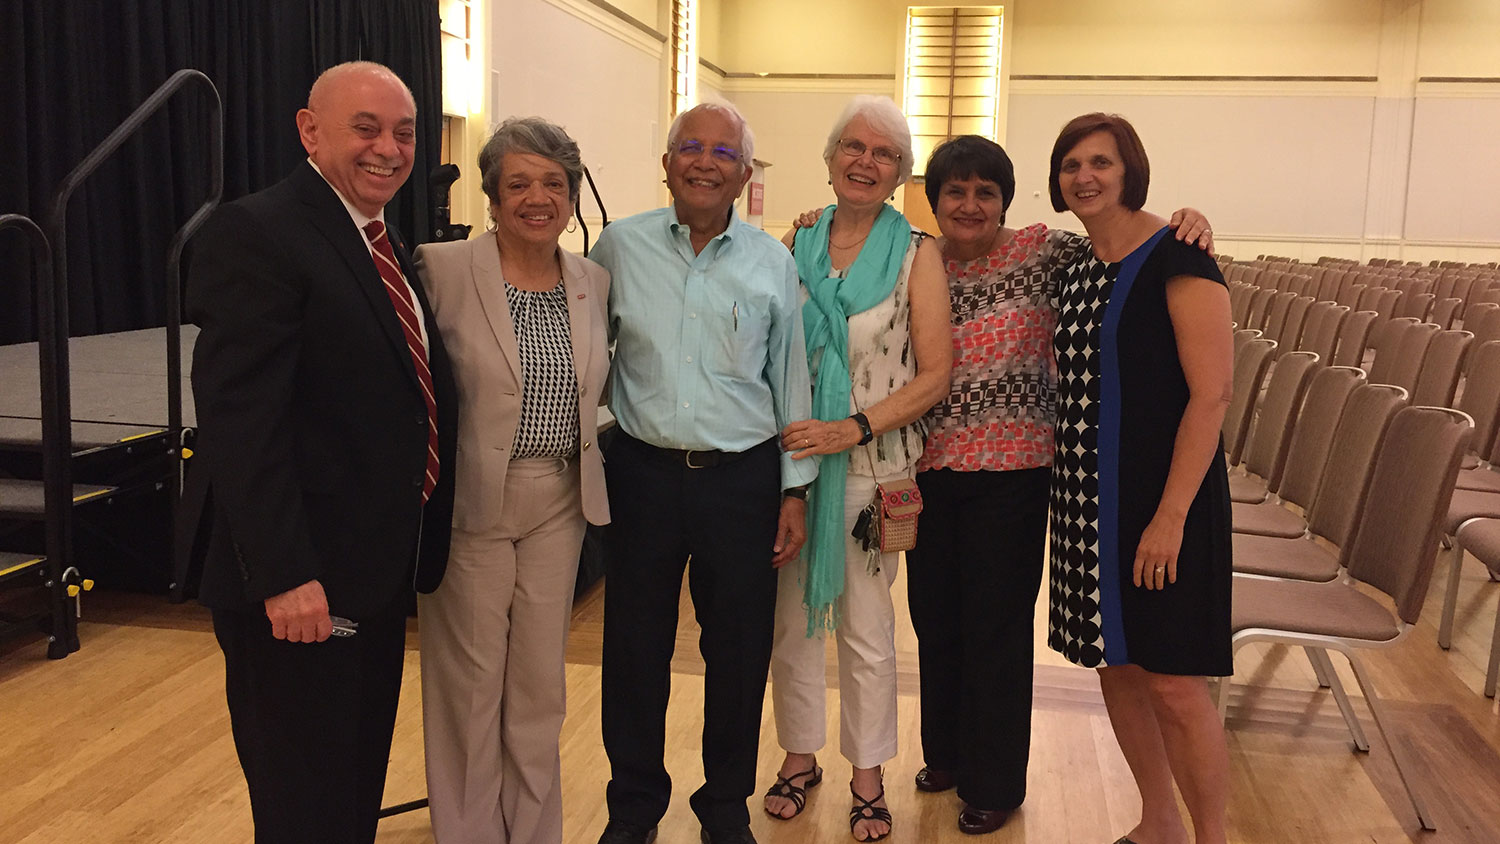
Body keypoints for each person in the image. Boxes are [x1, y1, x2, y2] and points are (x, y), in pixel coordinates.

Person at [902, 135, 1213, 836]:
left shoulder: (1046, 253)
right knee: (934, 619)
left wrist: (1186, 220)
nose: (970, 204)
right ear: (935, 199)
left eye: (986, 192)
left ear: (1006, 201)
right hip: (926, 468)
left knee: (995, 628)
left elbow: (1133, 249)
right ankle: (946, 753)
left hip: (1014, 470)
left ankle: (993, 782)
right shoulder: (912, 258)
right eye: (956, 191)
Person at [186, 61, 456, 844]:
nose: (389, 148)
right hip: (300, 588)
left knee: (345, 792)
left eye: (404, 132)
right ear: (310, 130)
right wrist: (284, 576)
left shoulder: (373, 235)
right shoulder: (259, 231)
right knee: (304, 801)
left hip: (365, 576)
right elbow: (240, 424)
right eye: (365, 128)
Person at [592, 100, 818, 844]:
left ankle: (724, 810)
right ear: (666, 163)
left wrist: (793, 489)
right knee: (633, 651)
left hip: (741, 481)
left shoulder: (772, 262)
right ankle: (632, 810)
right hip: (643, 477)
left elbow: (789, 381)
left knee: (739, 652)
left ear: (744, 174)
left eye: (723, 153)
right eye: (690, 146)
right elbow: (590, 361)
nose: (704, 161)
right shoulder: (617, 248)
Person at [413, 117, 610, 844]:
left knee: (538, 691)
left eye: (553, 183)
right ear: (492, 196)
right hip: (471, 504)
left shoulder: (592, 278)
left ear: (570, 196)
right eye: (518, 183)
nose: (538, 197)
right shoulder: (441, 268)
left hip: (561, 500)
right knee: (468, 690)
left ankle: (533, 834)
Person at [763, 95, 952, 844]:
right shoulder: (792, 243)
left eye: (882, 154)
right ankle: (798, 754)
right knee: (792, 626)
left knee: (869, 634)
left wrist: (856, 426)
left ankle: (868, 774)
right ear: (832, 157)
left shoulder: (918, 253)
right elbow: (774, 354)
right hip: (798, 468)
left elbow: (935, 375)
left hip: (877, 471)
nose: (865, 162)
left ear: (900, 172)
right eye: (853, 147)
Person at [1047, 113, 1233, 844]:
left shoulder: (1180, 255)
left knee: (1176, 684)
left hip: (1163, 499)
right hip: (1088, 498)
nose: (1085, 177)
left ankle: (1212, 836)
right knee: (1114, 666)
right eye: (1071, 165)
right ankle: (1160, 822)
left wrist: (1172, 515)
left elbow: (1211, 395)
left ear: (1131, 171)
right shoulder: (1077, 262)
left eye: (1101, 163)